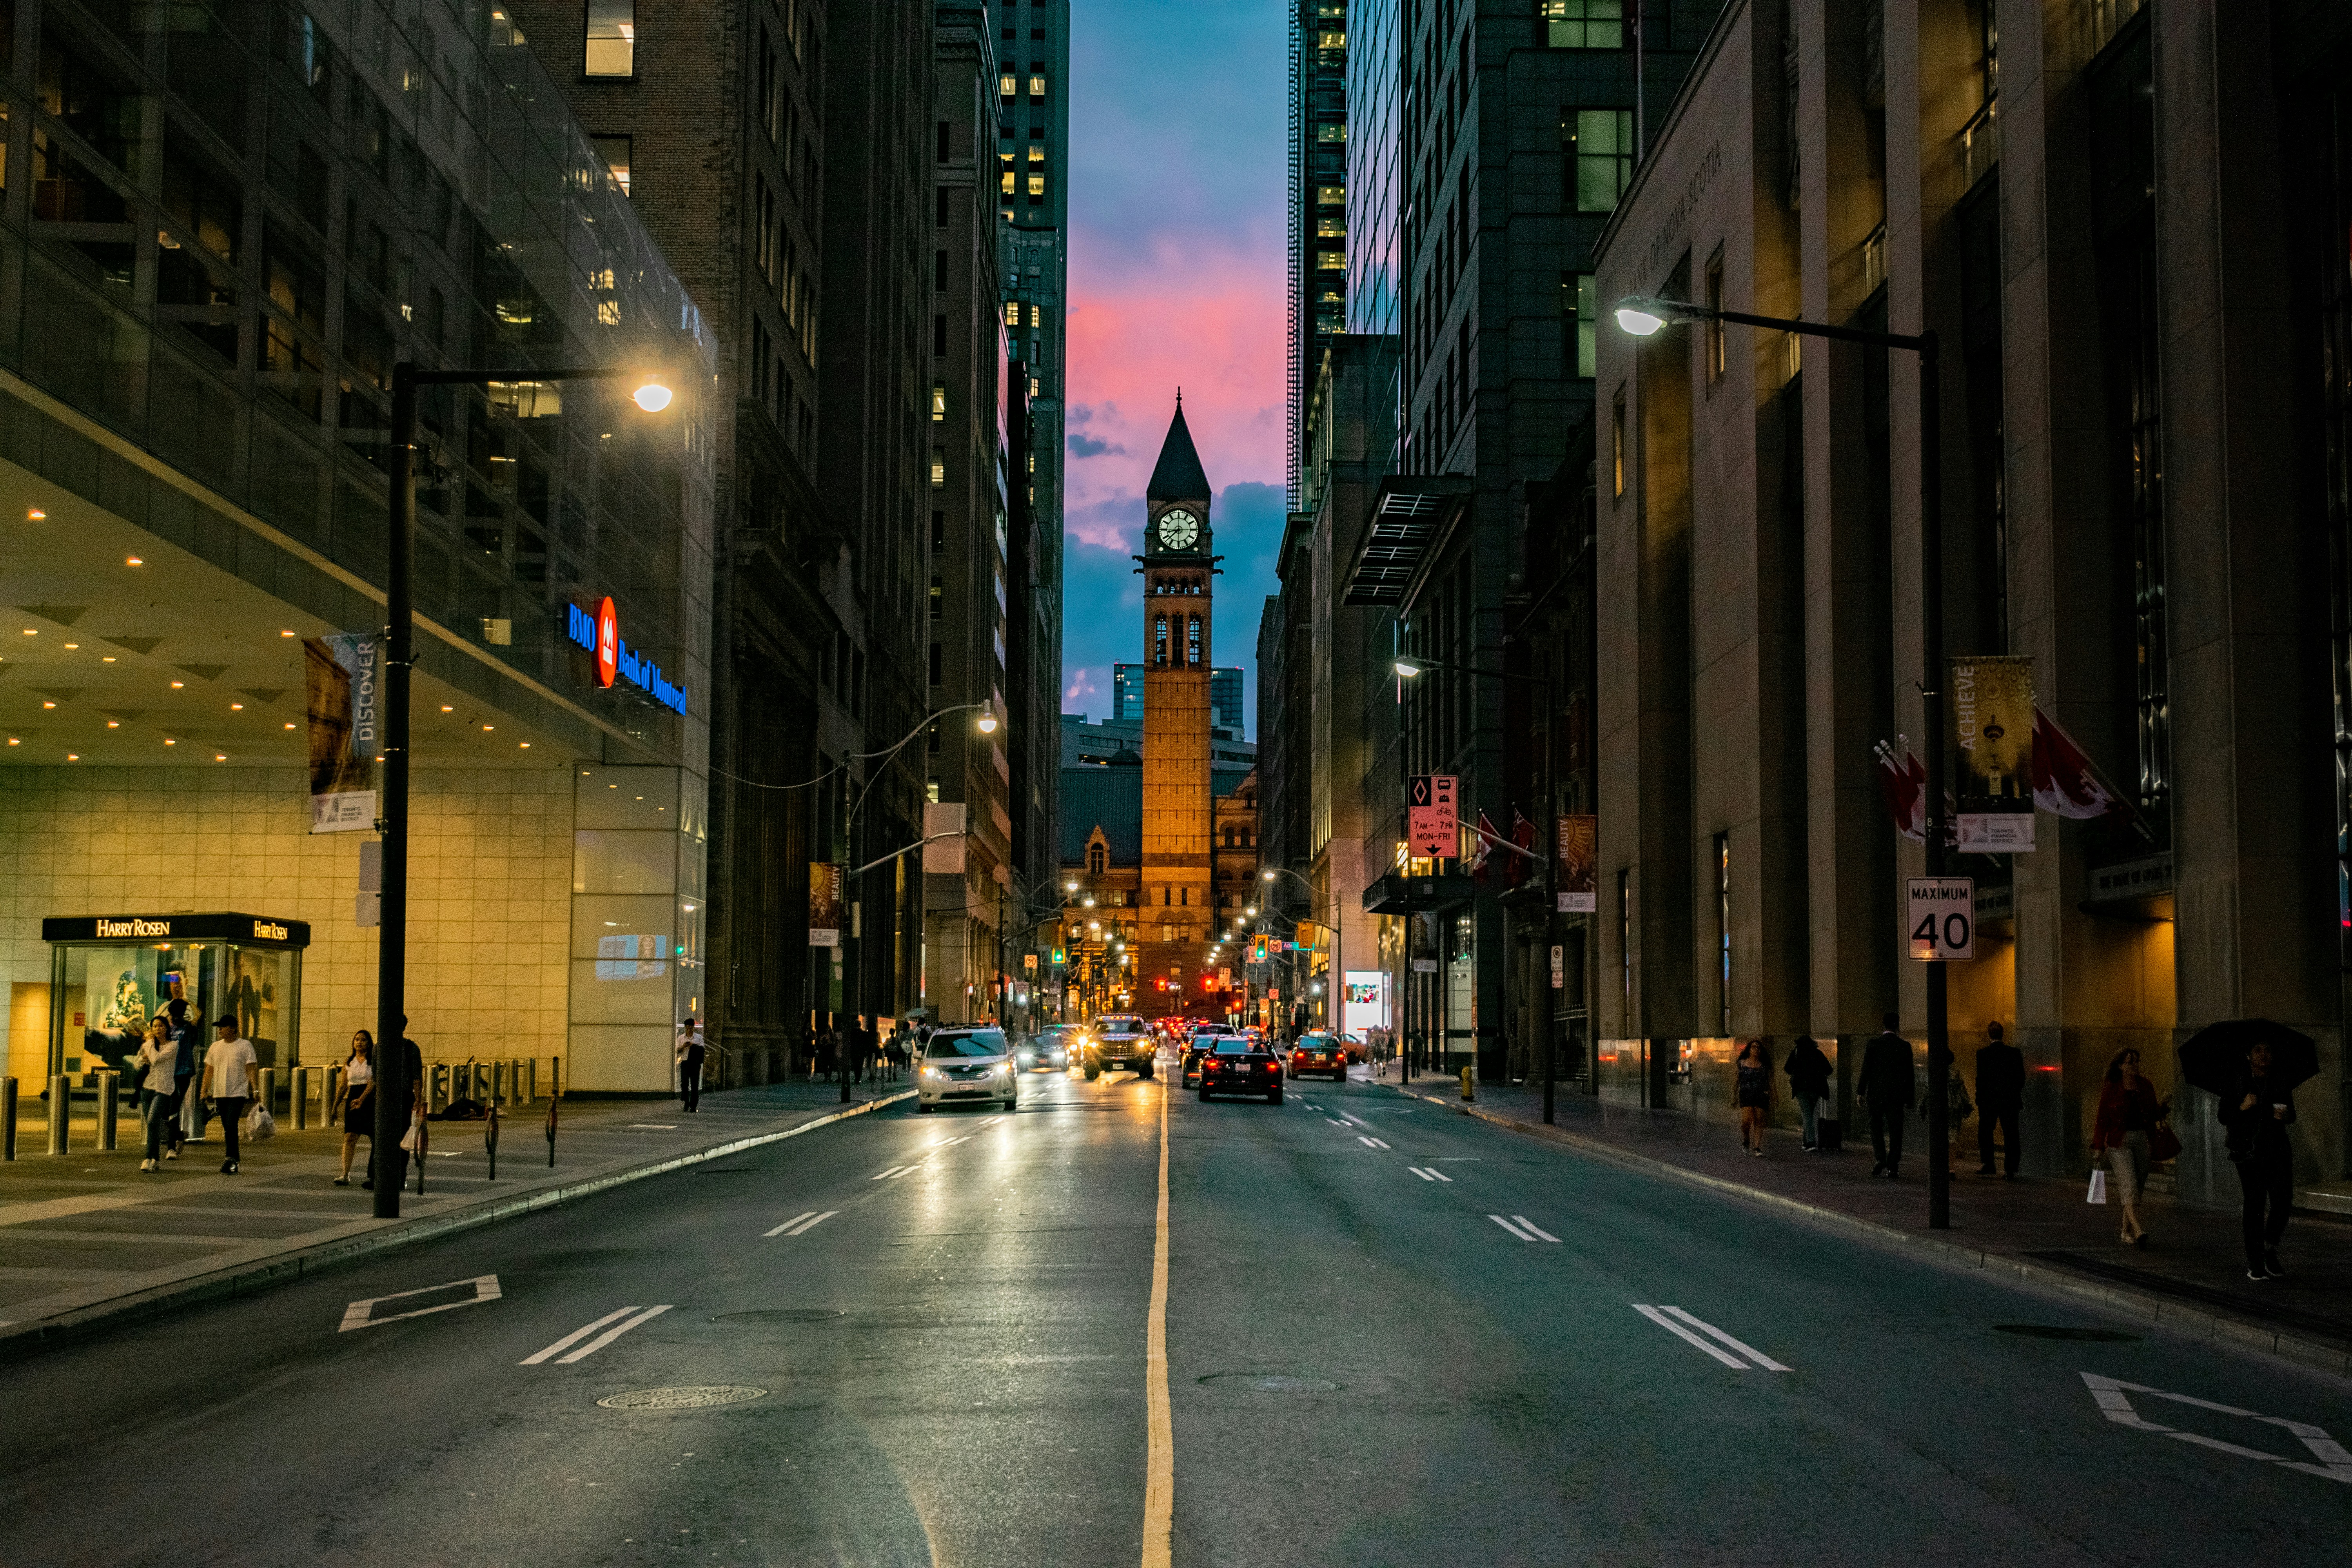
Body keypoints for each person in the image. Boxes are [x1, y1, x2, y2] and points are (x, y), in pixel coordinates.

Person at [2223, 1041, 2297, 1281]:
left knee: (2283, 1200)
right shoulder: (2237, 1081)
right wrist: (2242, 1107)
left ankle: (2268, 1246)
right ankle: (2255, 1262)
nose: (2264, 1055)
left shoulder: (2279, 1080)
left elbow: (2292, 1114)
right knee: (2255, 1204)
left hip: (2277, 1149)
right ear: (2248, 1056)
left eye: (2268, 1050)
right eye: (2258, 1050)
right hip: (2248, 1152)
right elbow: (2224, 1115)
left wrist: (2285, 1115)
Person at [2091, 1047, 2167, 1247]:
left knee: (2137, 1188)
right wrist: (2098, 1145)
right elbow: (2102, 1118)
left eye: (2136, 1062)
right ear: (2120, 1066)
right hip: (2119, 1142)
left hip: (2142, 1139)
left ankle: (2125, 1231)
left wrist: (2163, 1110)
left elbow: (2152, 1114)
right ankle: (2138, 1229)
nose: (2134, 1066)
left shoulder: (2145, 1086)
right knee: (2129, 1185)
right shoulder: (2112, 1087)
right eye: (2130, 1062)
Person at [1856, 1012, 1915, 1178]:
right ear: (1897, 1026)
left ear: (1883, 1025)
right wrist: (1910, 1097)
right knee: (1896, 1129)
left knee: (1876, 1126)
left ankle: (1880, 1158)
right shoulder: (1905, 1046)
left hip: (1876, 1093)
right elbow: (1909, 1074)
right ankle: (1893, 1164)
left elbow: (1866, 1069)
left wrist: (1861, 1092)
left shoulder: (1873, 1044)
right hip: (1896, 1095)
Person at [203, 1014, 259, 1175]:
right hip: (220, 1092)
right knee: (227, 1126)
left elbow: (251, 1069)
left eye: (223, 1026)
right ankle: (234, 1157)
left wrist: (255, 1089)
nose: (220, 1029)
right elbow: (209, 1070)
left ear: (233, 1028)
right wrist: (204, 1090)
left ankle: (231, 1158)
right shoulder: (215, 1047)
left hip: (238, 1092)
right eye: (219, 1027)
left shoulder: (245, 1046)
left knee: (231, 1124)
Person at [1975, 1021, 2025, 1176]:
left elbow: (1981, 1080)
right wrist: (2013, 1092)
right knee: (2011, 1134)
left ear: (1989, 1034)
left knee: (1986, 1132)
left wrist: (1980, 1098)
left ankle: (1989, 1165)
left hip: (1989, 1100)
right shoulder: (2014, 1053)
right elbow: (2021, 1077)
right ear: (2003, 1034)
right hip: (2009, 1100)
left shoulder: (1983, 1054)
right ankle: (2011, 1168)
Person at [130, 1016, 179, 1172]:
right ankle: (154, 1159)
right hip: (148, 1087)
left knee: (152, 1120)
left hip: (164, 1088)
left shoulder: (173, 1045)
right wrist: (142, 1059)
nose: (157, 1029)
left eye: (160, 1026)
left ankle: (148, 1158)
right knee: (152, 1125)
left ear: (167, 1028)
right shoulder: (148, 1045)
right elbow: (137, 1064)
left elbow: (157, 1059)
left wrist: (148, 1048)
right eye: (154, 1026)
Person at [334, 1031, 374, 1187]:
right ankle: (345, 1174)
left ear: (369, 1043)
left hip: (369, 1098)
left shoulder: (372, 1061)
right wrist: (335, 1106)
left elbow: (373, 1082)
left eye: (364, 1040)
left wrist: (362, 1099)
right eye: (357, 1040)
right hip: (353, 1097)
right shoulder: (349, 1062)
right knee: (350, 1136)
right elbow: (344, 1085)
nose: (359, 1043)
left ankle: (373, 1174)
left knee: (374, 1137)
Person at [1784, 1035, 1832, 1152]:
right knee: (1809, 1114)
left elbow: (1787, 1069)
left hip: (1801, 1088)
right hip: (1816, 1089)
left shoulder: (1796, 1053)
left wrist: (1797, 1070)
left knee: (1807, 1114)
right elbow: (1829, 1070)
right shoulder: (1818, 1054)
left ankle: (1810, 1142)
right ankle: (1806, 1142)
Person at [1734, 1040, 1773, 1157]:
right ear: (1749, 1050)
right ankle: (1746, 1139)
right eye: (1754, 1047)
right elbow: (1736, 1081)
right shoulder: (1742, 1064)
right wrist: (1734, 1097)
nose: (1756, 1050)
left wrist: (1775, 1097)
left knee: (1759, 1120)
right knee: (1746, 1121)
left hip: (1761, 1095)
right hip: (1746, 1095)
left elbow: (1771, 1082)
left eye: (1759, 1048)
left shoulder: (1764, 1066)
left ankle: (1757, 1147)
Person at [674, 1016, 707, 1112]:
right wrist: (684, 1046)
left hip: (695, 1063)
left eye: (691, 1028)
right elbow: (678, 1051)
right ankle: (686, 1101)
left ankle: (693, 1105)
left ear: (693, 1028)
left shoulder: (698, 1038)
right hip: (685, 1062)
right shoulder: (681, 1038)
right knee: (684, 1084)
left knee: (694, 1085)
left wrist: (694, 1046)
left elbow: (702, 1050)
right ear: (685, 1028)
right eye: (688, 1028)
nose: (689, 1030)